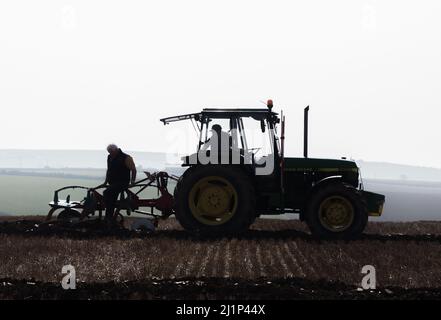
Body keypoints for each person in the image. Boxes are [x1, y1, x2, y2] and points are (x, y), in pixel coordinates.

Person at [101, 144, 137, 223]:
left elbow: (133, 170)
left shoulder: (126, 157)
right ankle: (108, 218)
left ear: (116, 150)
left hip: (122, 182)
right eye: (109, 152)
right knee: (111, 199)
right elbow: (109, 170)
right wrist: (106, 181)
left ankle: (109, 217)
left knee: (107, 192)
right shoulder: (109, 157)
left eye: (111, 152)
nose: (110, 153)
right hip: (113, 183)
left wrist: (133, 181)